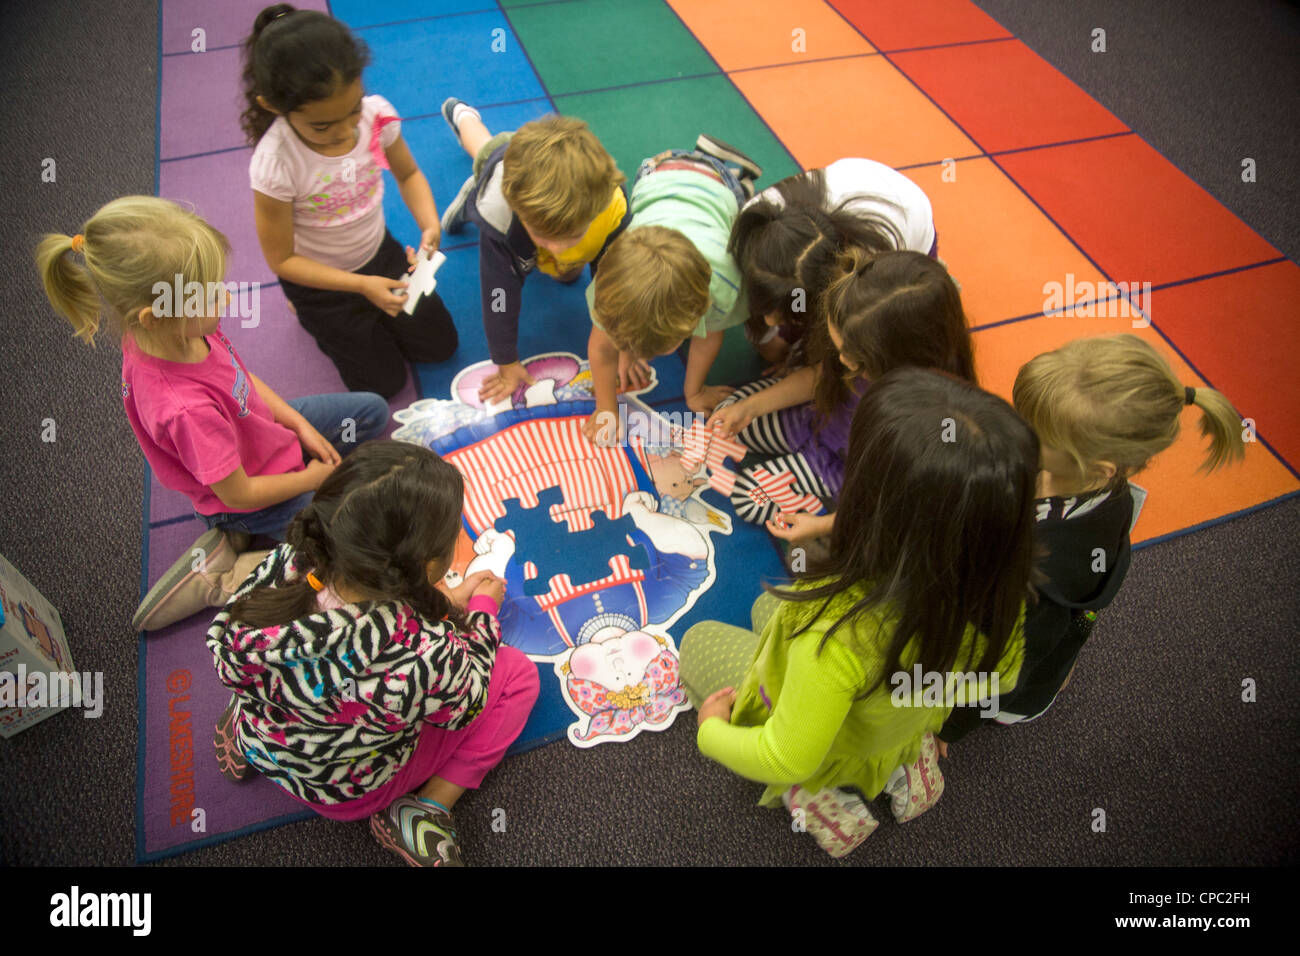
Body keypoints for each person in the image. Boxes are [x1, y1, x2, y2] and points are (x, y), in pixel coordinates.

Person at [680, 367, 1036, 857]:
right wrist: (928, 717)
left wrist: (711, 732)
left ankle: (818, 799)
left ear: (871, 501)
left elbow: (783, 757)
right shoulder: (998, 592)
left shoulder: (834, 629)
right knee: (768, 607)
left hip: (827, 752)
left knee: (698, 641)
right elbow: (1000, 679)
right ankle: (907, 763)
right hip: (897, 726)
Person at [35, 196, 387, 629]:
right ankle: (225, 572)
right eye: (209, 294)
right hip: (240, 498)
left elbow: (241, 379)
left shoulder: (181, 324)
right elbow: (239, 493)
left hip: (255, 431)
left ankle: (266, 516)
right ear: (154, 316)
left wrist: (298, 425)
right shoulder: (183, 408)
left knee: (371, 412)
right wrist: (313, 479)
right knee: (350, 549)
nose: (224, 297)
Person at [207, 441, 539, 867]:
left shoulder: (290, 560)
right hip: (348, 790)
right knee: (518, 676)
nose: (458, 537)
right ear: (420, 567)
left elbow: (370, 616)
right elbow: (466, 703)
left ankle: (242, 735)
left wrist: (448, 597)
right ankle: (425, 809)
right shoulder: (420, 652)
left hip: (270, 734)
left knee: (284, 668)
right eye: (452, 534)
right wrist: (481, 609)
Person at [939, 334, 1247, 741]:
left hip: (1014, 676)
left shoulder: (1041, 573)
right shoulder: (1095, 482)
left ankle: (1041, 693)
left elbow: (1009, 666)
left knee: (1019, 679)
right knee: (1064, 636)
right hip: (1053, 613)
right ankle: (1061, 668)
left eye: (1037, 435)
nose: (1018, 433)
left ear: (1099, 467)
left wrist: (950, 728)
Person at [244, 4, 458, 398]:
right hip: (320, 284)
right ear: (274, 107)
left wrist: (429, 225)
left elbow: (409, 174)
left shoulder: (375, 117)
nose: (345, 132)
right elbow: (282, 260)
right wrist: (361, 287)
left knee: (441, 345)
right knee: (383, 385)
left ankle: (369, 309)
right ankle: (308, 315)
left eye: (352, 109)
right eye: (323, 125)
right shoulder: (275, 164)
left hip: (381, 255)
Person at [710, 249, 975, 528]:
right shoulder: (860, 338)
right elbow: (819, 377)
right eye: (837, 347)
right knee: (727, 412)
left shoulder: (924, 422)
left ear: (894, 356)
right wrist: (748, 407)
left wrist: (825, 526)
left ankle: (819, 499)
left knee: (748, 498)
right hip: (818, 417)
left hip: (840, 465)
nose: (841, 359)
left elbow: (890, 507)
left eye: (852, 357)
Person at [438, 104, 631, 404]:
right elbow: (498, 292)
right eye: (546, 238)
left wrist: (624, 346)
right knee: (481, 148)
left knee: (568, 274)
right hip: (501, 162)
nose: (557, 247)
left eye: (572, 235)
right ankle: (464, 117)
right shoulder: (501, 213)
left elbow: (613, 288)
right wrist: (506, 362)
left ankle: (558, 237)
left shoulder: (611, 208)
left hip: (537, 189)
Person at [583, 138, 765, 444]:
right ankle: (706, 159)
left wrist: (693, 392)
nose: (649, 357)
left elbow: (708, 338)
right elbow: (601, 348)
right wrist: (606, 408)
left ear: (695, 317)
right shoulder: (609, 283)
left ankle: (734, 173)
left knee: (745, 210)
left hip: (719, 187)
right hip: (655, 172)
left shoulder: (726, 286)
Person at [731, 157, 937, 369]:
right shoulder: (756, 227)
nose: (770, 321)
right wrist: (766, 341)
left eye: (772, 312)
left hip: (907, 220)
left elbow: (840, 363)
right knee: (789, 317)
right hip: (857, 190)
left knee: (871, 350)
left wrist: (810, 363)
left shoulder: (871, 266)